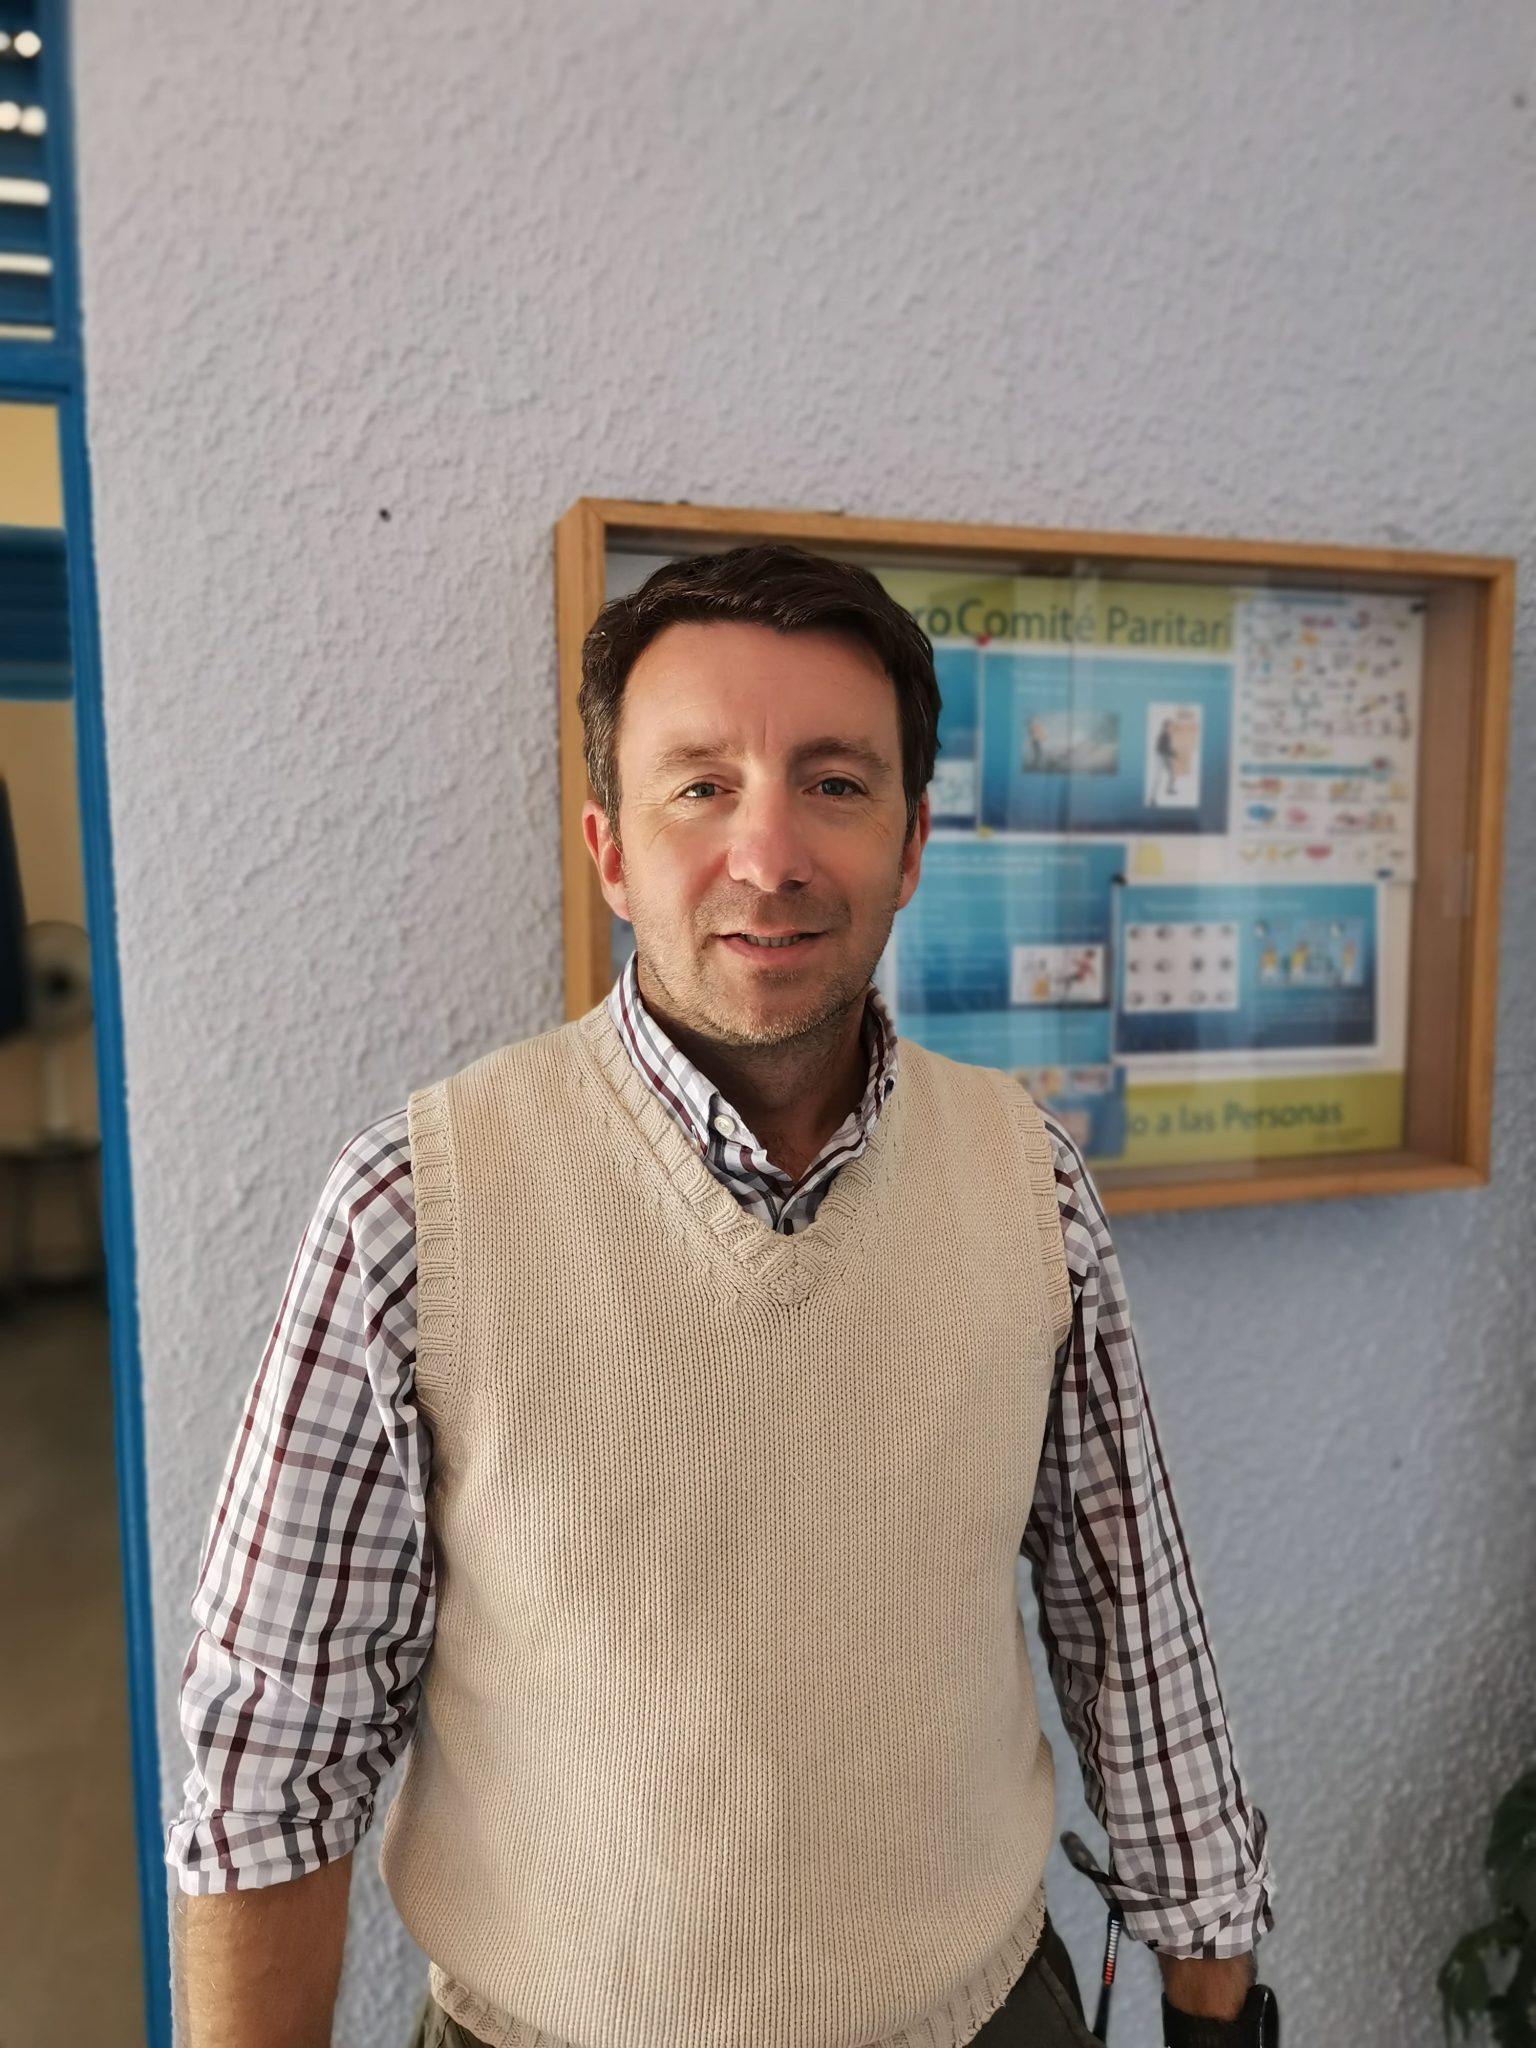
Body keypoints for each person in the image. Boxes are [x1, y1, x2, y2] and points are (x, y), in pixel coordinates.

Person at [166, 545, 1276, 2048]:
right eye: (700, 787)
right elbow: (273, 1758)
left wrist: (1217, 2005)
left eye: (836, 784)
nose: (769, 854)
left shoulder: (1031, 1185)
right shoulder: (415, 1211)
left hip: (984, 2017)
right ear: (611, 850)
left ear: (910, 842)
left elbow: (1132, 1635)